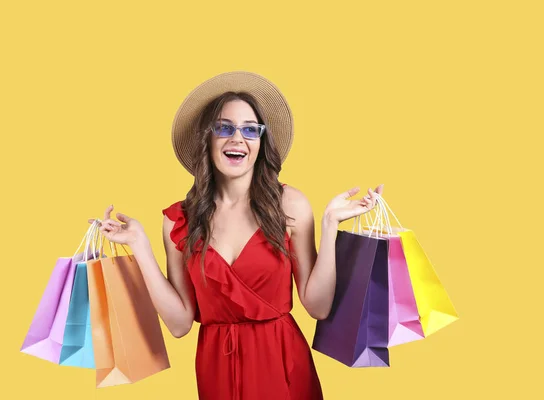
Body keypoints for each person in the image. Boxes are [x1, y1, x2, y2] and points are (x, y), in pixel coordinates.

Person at [91, 71, 384, 399]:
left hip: (284, 364)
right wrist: (139, 246)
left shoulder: (290, 204)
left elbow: (317, 306)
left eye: (249, 129)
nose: (237, 138)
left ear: (260, 142)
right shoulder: (180, 220)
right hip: (216, 369)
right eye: (224, 127)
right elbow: (178, 324)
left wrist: (330, 225)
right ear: (208, 138)